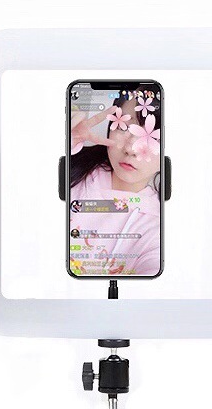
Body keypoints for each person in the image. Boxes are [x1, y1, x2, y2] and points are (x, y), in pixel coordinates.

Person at [68, 90, 162, 277]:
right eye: (124, 127)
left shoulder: (157, 226)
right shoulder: (74, 167)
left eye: (153, 138)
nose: (131, 149)